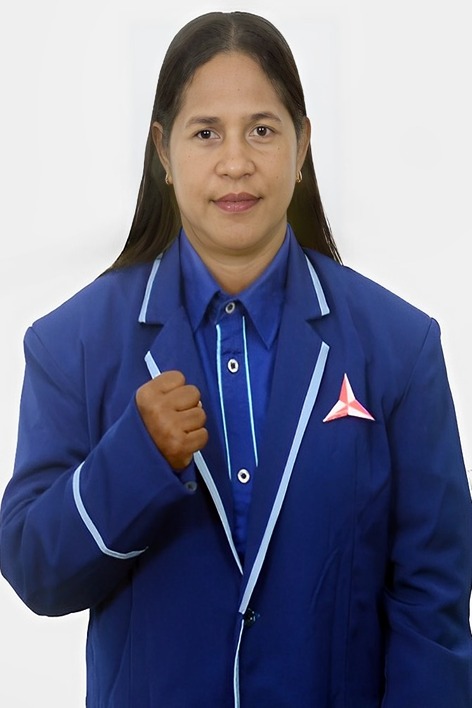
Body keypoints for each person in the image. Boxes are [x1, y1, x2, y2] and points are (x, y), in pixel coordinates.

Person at [0, 10, 471, 707]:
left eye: (262, 130)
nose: (235, 162)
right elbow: (38, 573)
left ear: (302, 145)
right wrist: (137, 458)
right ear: (162, 153)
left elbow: (433, 606)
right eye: (205, 132)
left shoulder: (400, 346)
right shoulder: (71, 342)